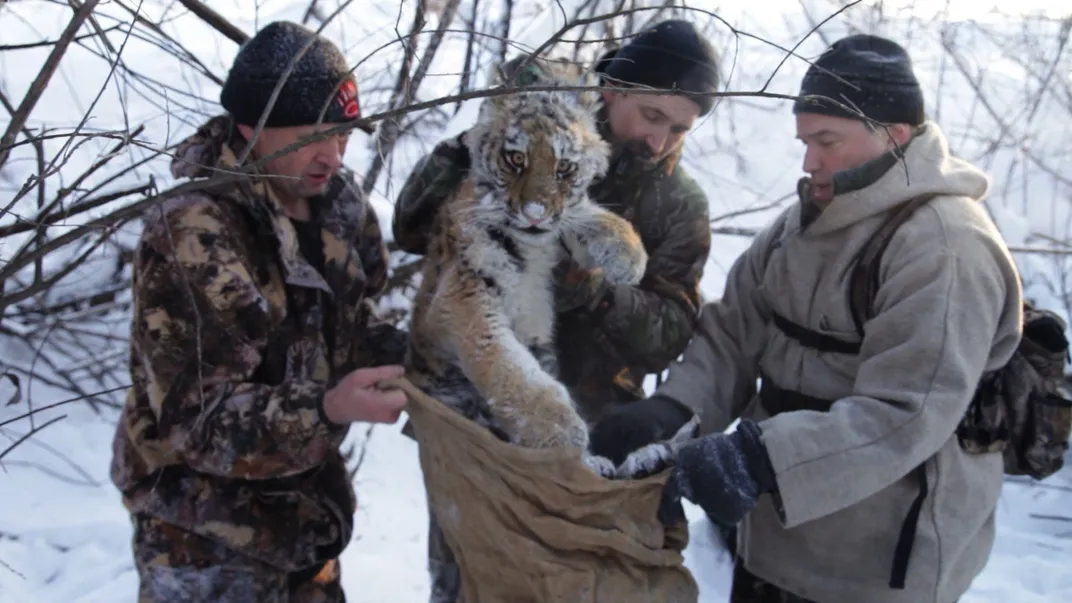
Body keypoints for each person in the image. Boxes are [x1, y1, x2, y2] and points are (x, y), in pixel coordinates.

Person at [589, 34, 1025, 603]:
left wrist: (758, 457)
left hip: (872, 564)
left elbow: (906, 412)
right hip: (773, 538)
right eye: (804, 141)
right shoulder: (801, 223)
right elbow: (732, 336)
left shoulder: (944, 247)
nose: (808, 161)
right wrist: (672, 410)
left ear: (894, 134)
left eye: (827, 141)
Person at [109, 21, 408, 602]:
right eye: (313, 134)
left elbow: (352, 325)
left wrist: (423, 359)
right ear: (252, 128)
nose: (334, 153)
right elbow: (198, 422)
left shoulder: (340, 206)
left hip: (306, 517)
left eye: (343, 133)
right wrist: (328, 408)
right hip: (202, 535)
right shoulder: (194, 233)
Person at [392, 19, 719, 423]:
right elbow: (409, 228)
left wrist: (592, 288)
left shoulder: (681, 204)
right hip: (469, 394)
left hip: (590, 414)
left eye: (678, 130)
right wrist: (471, 145)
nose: (660, 142)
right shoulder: (528, 129)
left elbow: (669, 336)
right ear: (612, 91)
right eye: (651, 116)